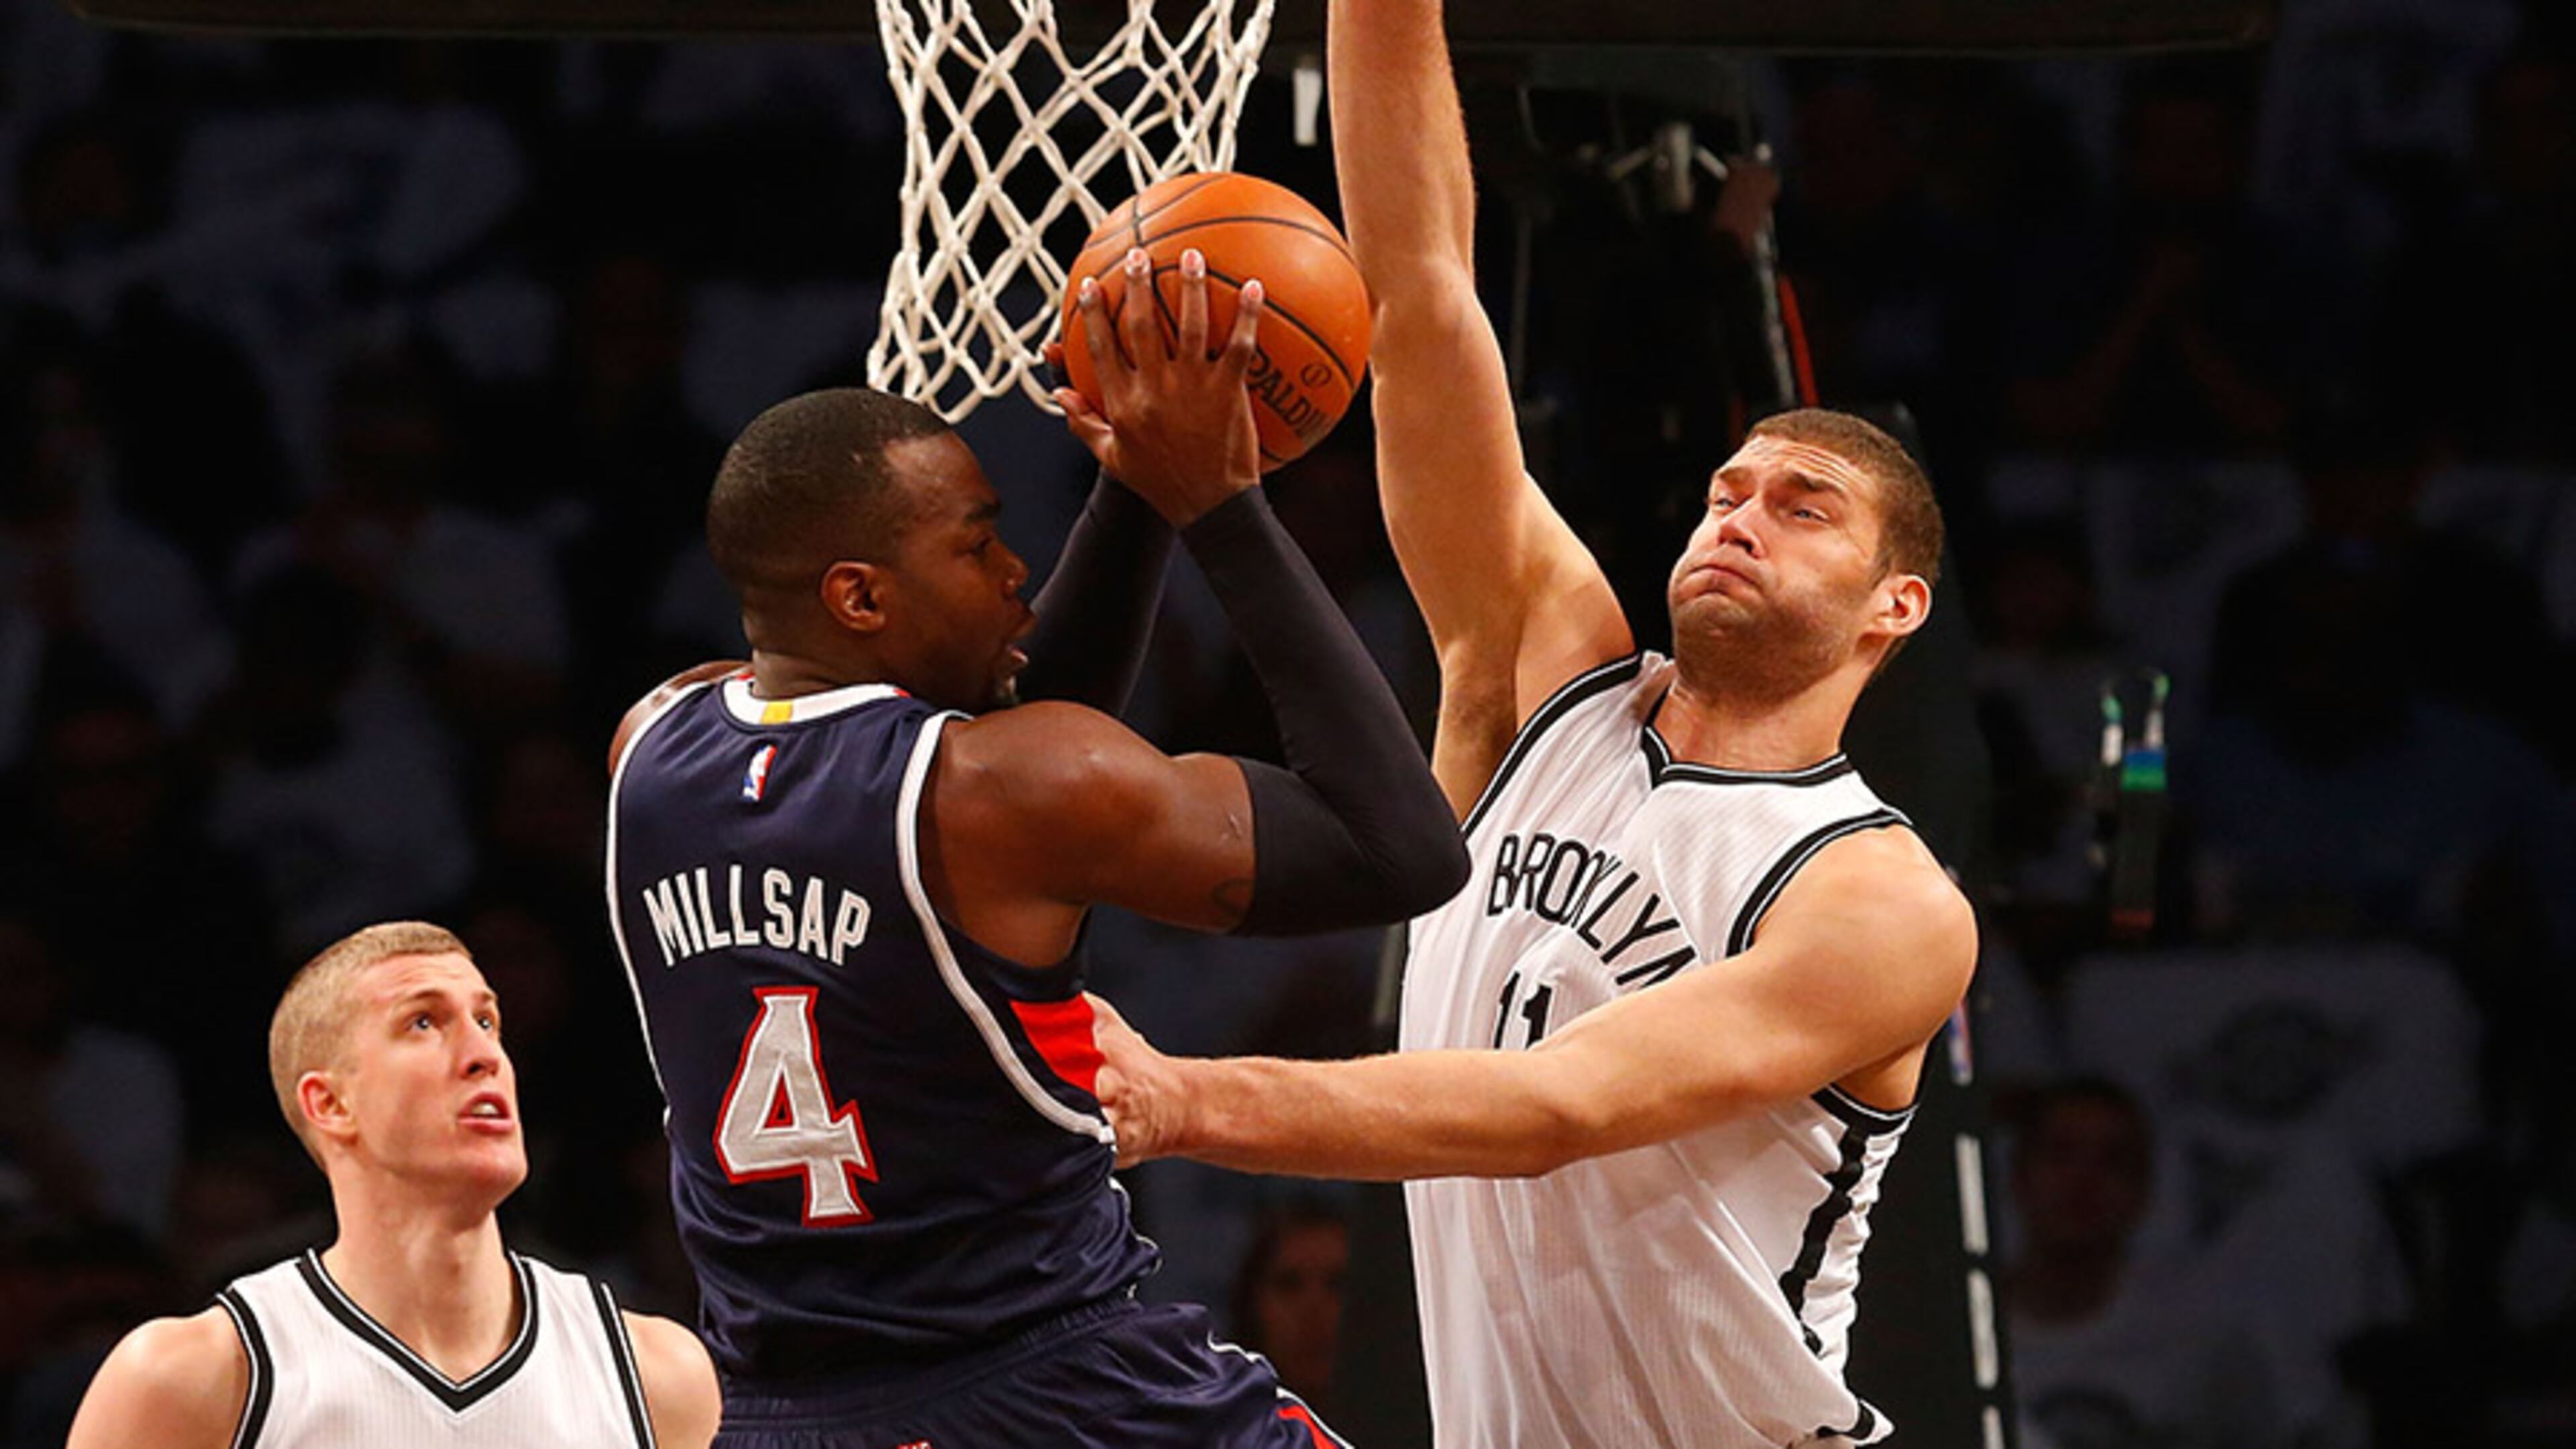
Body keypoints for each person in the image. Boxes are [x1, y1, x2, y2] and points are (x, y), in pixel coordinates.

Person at [1083, 3, 1978, 1445]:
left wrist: (1185, 1099)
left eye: (1803, 509)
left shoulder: (1883, 903)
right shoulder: (1535, 678)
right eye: (1728, 492)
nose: (1740, 517)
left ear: (1895, 607)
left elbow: (1558, 1105)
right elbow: (1425, 291)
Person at [604, 252, 1466, 1446]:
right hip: (1059, 1390)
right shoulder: (1005, 792)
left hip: (789, 1412)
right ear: (859, 599)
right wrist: (1218, 505)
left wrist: (1130, 492)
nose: (1015, 574)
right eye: (977, 546)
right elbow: (1402, 850)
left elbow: (1001, 753)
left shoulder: (651, 751)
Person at [62, 920, 720, 1448]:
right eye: (424, 1022)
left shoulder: (657, 1375)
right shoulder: (192, 1380)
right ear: (331, 1105)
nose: (485, 1053)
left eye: (488, 1021)